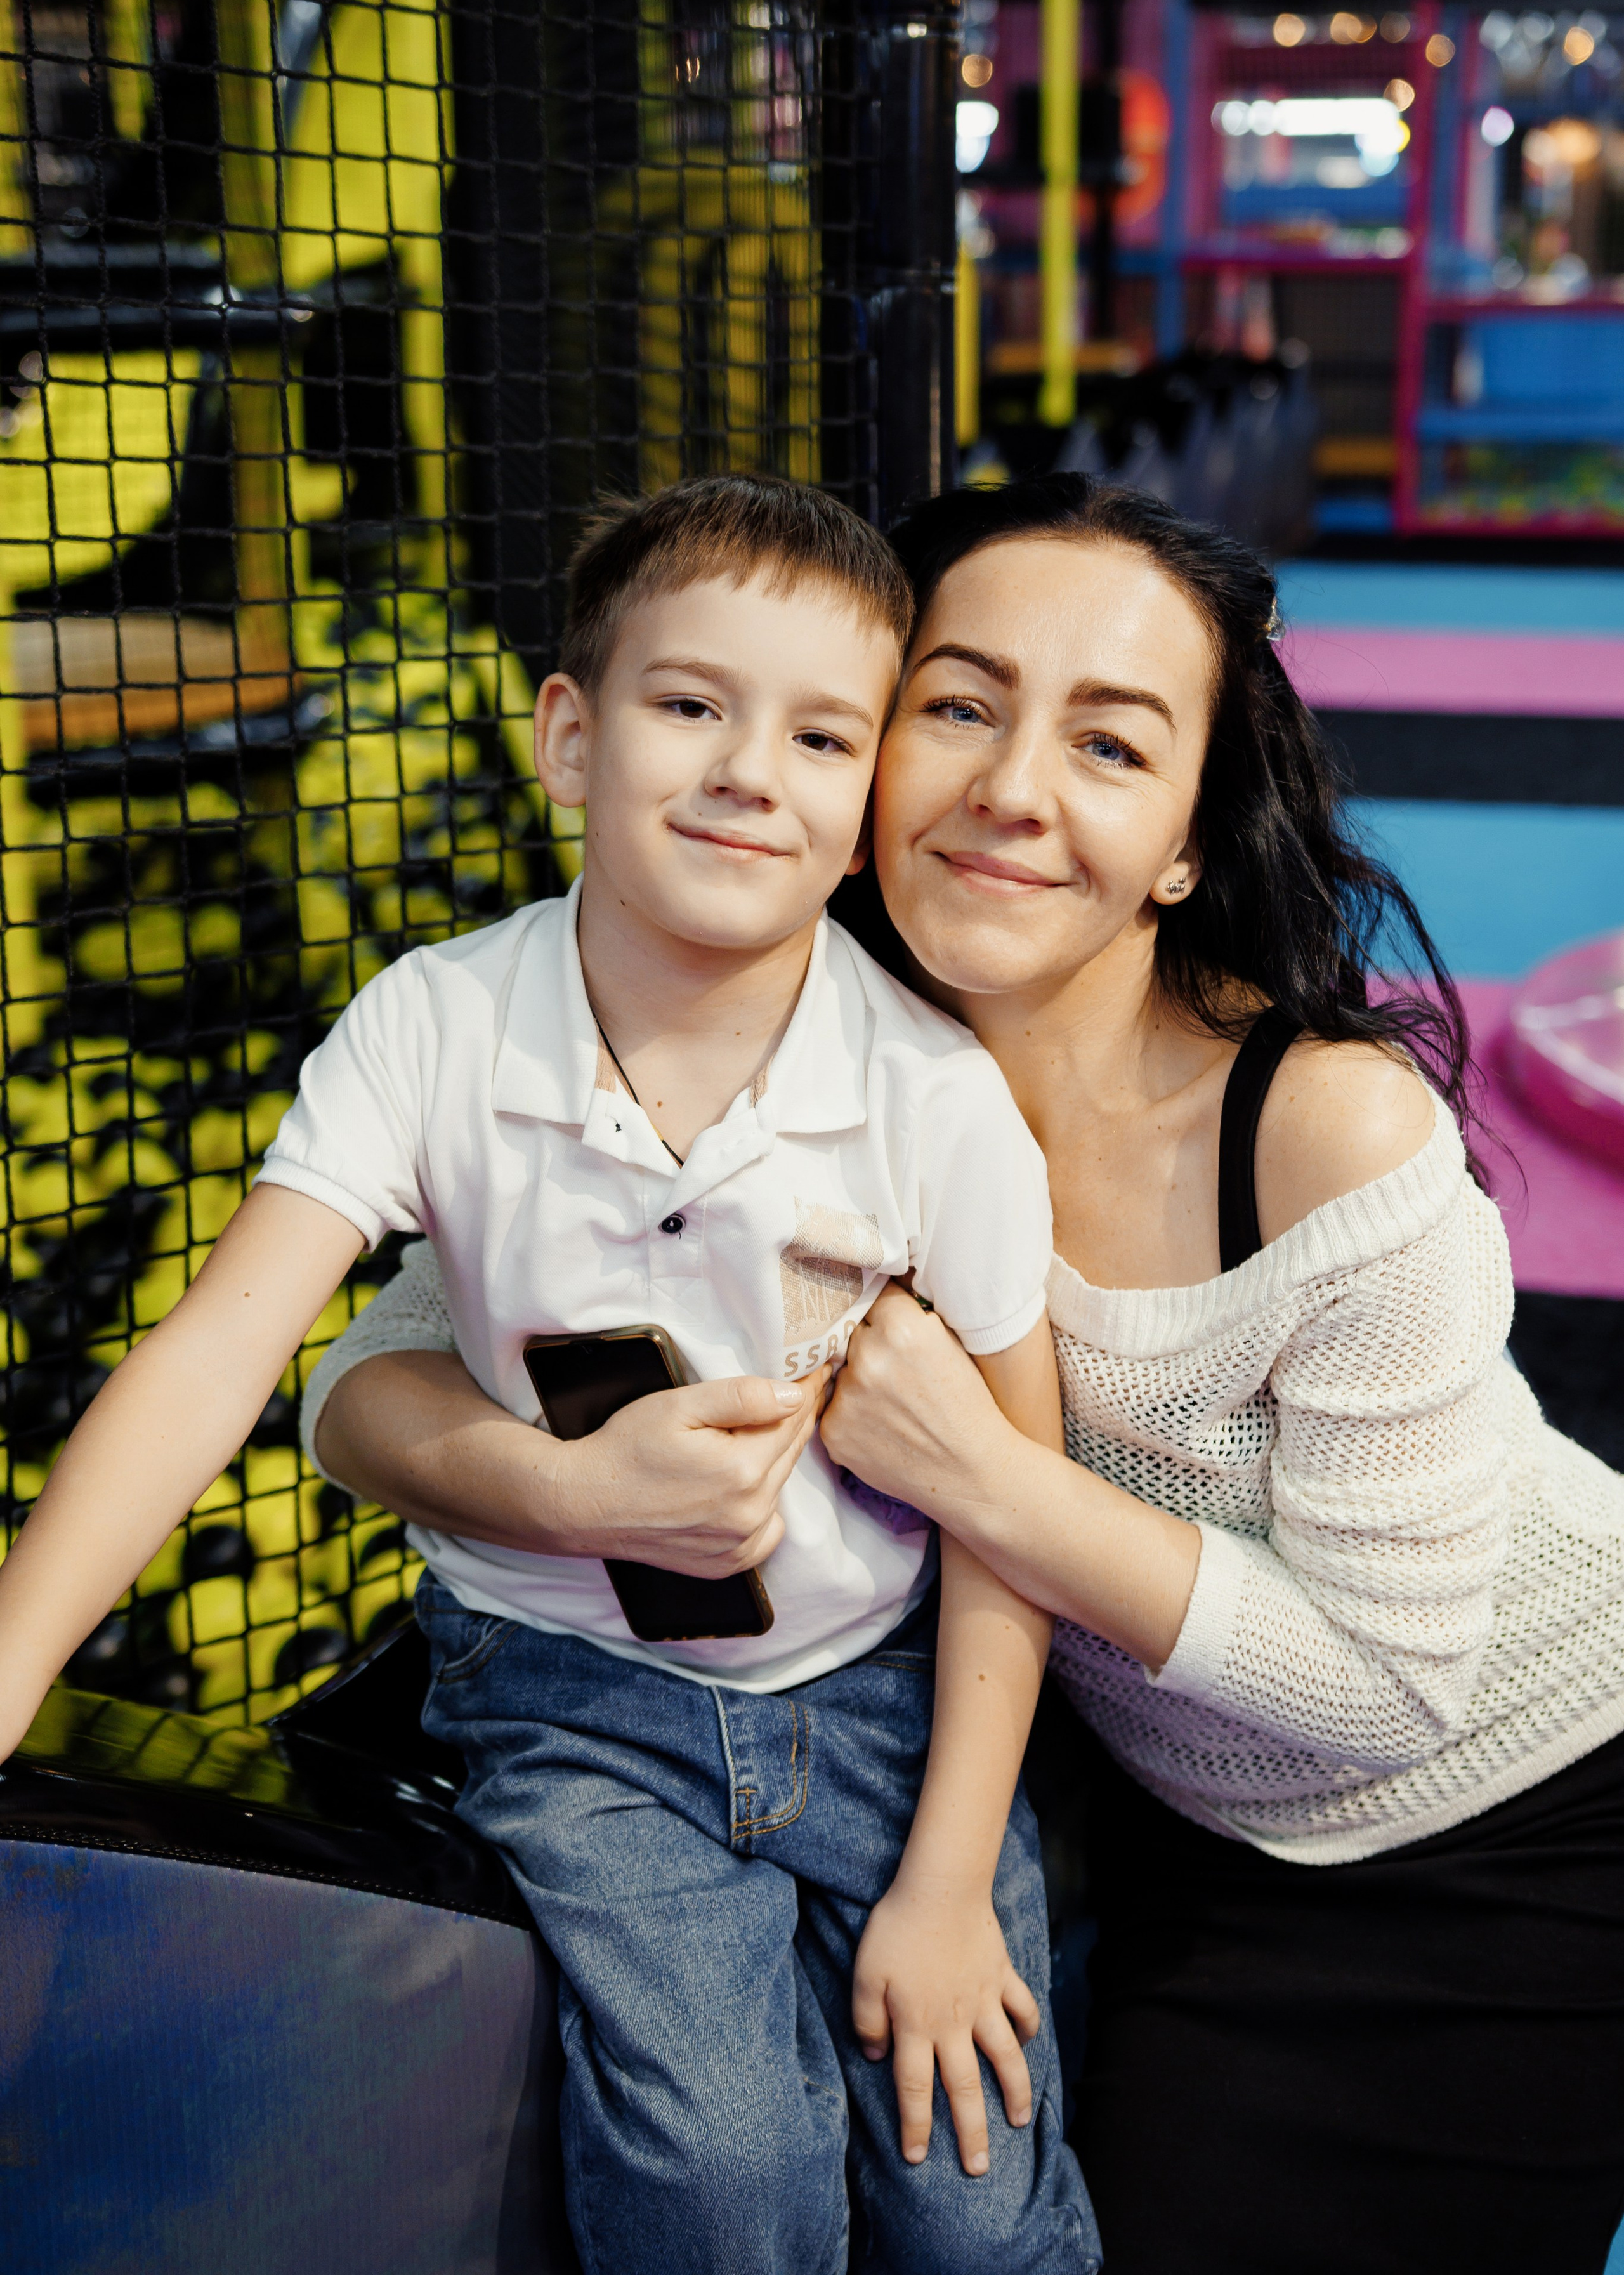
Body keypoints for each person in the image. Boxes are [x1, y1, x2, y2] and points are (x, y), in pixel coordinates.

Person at [324, 475, 1624, 2275]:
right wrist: (555, 1485)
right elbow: (386, 1359)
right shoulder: (781, 1023)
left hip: (1508, 1816)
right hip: (1130, 1804)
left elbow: (1389, 1684)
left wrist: (985, 1475)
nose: (1015, 789)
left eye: (1110, 742)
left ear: (1182, 836)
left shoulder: (1322, 1127)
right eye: (961, 704)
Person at [0, 475, 1096, 2275]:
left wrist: (955, 1871)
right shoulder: (438, 1025)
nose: (752, 768)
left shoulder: (930, 1097)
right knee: (724, 2181)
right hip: (576, 1704)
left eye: (824, 733)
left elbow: (1019, 1506)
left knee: (970, 2209)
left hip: (889, 1704)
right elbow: (220, 1351)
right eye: (692, 705)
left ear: (866, 811)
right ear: (570, 740)